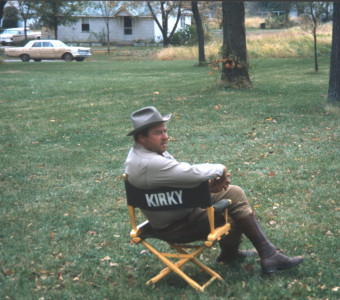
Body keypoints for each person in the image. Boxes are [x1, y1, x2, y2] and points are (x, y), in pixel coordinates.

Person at [124, 106, 303, 274]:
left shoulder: (140, 155)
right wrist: (220, 168)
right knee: (233, 216)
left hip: (175, 207)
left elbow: (170, 183)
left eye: (165, 131)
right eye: (158, 133)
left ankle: (255, 254)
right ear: (141, 137)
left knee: (234, 193)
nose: (165, 137)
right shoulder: (149, 163)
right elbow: (191, 172)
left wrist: (206, 189)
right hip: (177, 226)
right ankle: (262, 255)